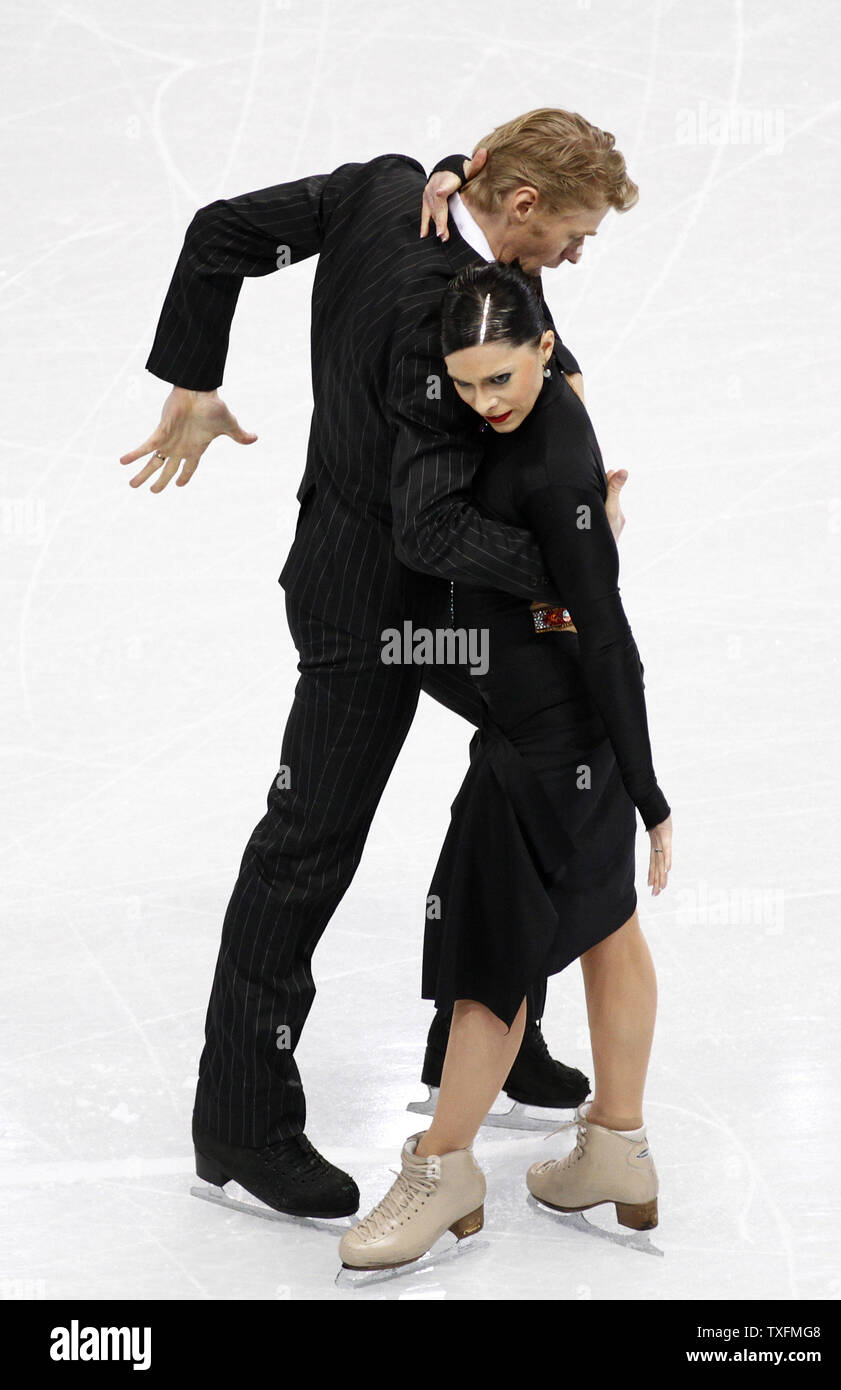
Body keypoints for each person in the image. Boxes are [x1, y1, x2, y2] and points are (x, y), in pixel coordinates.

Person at [119, 108, 631, 1221]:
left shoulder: (384, 185)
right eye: (574, 236)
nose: (576, 259)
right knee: (308, 845)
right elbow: (432, 534)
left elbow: (218, 234)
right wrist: (567, 560)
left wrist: (193, 374)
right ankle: (242, 1118)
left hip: (417, 598)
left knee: (535, 746)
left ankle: (484, 1024)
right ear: (525, 204)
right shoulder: (437, 316)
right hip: (380, 611)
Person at [339, 259, 672, 1271]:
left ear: (544, 352)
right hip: (570, 730)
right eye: (466, 383)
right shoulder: (538, 385)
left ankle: (445, 1170)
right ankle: (615, 1149)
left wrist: (651, 794)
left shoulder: (555, 469)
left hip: (543, 740)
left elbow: (605, 631)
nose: (484, 403)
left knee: (489, 954)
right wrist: (450, 169)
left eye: (502, 381)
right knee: (608, 923)